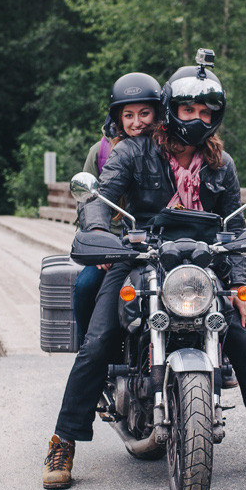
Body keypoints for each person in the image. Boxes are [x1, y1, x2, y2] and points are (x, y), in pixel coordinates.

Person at [43, 60, 246, 489]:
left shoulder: (222, 164)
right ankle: (63, 442)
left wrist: (238, 285)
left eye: (207, 111)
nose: (198, 119)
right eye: (189, 110)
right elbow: (100, 198)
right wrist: (97, 232)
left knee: (242, 340)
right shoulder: (135, 151)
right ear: (173, 108)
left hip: (204, 262)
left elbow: (233, 228)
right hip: (140, 257)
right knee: (96, 344)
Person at [72, 72, 161, 346]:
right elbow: (86, 204)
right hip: (112, 243)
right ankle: (90, 350)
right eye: (129, 115)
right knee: (85, 286)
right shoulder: (99, 153)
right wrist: (101, 241)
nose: (137, 123)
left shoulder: (168, 149)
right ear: (118, 119)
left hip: (155, 239)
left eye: (145, 113)